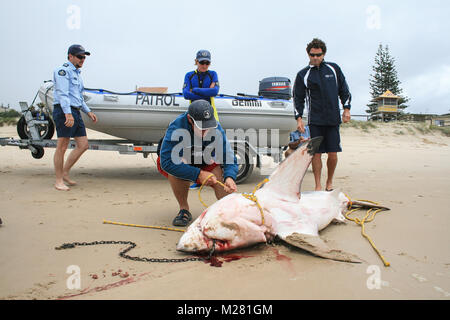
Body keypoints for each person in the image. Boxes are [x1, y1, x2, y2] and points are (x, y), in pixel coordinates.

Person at [157, 100, 238, 227]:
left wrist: (230, 177)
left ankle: (229, 212)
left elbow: (228, 156)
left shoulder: (217, 127)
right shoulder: (176, 127)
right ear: (190, 119)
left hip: (205, 158)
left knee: (223, 180)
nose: (206, 131)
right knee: (176, 169)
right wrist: (198, 174)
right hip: (184, 159)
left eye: (208, 126)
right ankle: (184, 209)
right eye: (202, 127)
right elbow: (166, 162)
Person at [293, 38, 351, 191]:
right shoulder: (303, 75)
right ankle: (318, 185)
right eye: (312, 55)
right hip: (315, 121)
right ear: (308, 55)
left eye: (318, 55)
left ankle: (329, 182)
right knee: (316, 155)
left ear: (323, 54)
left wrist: (346, 109)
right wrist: (299, 118)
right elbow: (297, 98)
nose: (315, 58)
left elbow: (344, 90)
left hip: (332, 119)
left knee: (333, 154)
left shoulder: (333, 69)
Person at [52, 44, 98, 191]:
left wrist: (88, 111)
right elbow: (63, 94)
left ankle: (65, 172)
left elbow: (78, 97)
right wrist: (67, 113)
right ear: (70, 56)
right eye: (80, 56)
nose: (83, 59)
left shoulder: (77, 74)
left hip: (75, 111)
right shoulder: (63, 71)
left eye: (84, 57)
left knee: (83, 145)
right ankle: (58, 180)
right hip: (64, 111)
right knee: (62, 146)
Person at [183, 49, 220, 189]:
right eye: (201, 62)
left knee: (212, 147)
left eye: (207, 62)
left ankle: (214, 177)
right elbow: (186, 94)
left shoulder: (213, 74)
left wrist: (195, 90)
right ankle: (198, 180)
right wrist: (205, 92)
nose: (204, 65)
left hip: (210, 116)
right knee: (196, 147)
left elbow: (215, 92)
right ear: (196, 61)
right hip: (194, 116)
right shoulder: (189, 75)